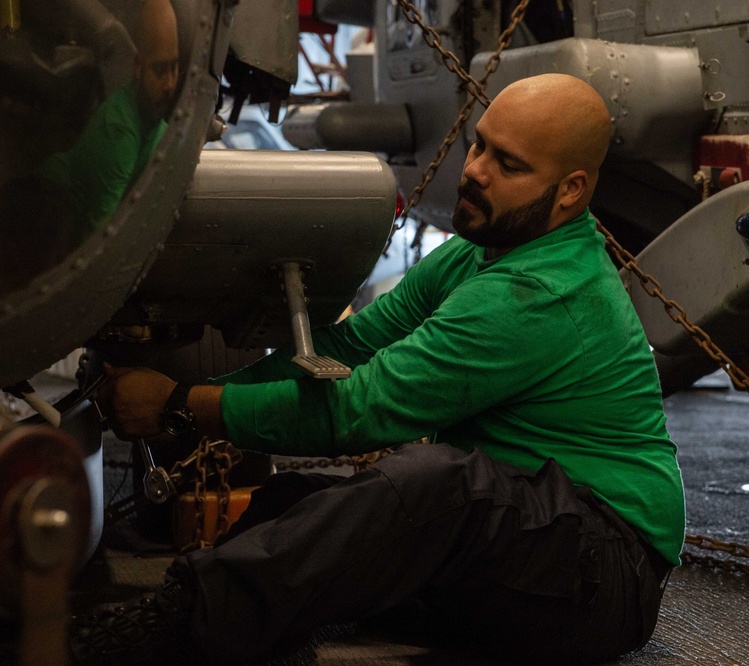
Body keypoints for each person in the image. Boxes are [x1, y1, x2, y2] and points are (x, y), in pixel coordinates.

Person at [80, 73, 685, 665]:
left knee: (434, 483)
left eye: (509, 164)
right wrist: (200, 397)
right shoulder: (475, 255)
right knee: (297, 502)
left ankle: (174, 622)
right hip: (519, 541)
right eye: (478, 143)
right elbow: (345, 351)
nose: (474, 169)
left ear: (572, 190)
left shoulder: (541, 292)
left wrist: (180, 405)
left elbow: (358, 409)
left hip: (604, 574)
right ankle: (226, 617)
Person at [36, 0, 179, 234]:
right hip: (44, 207)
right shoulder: (120, 133)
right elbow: (100, 235)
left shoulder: (153, 119)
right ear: (138, 68)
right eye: (160, 70)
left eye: (175, 68)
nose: (170, 84)